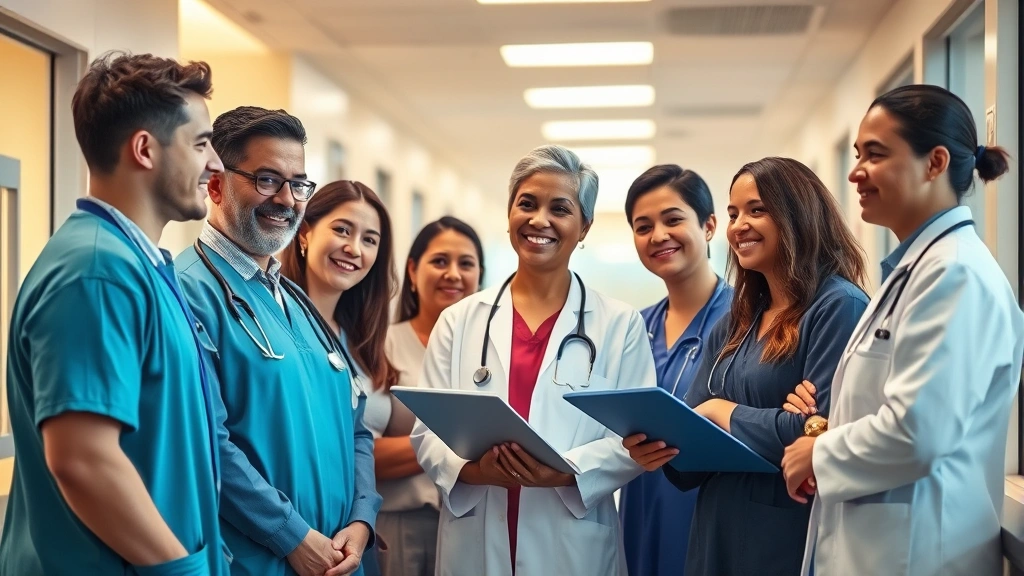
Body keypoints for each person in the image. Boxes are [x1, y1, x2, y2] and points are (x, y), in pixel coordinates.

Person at [781, 85, 1024, 576]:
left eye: (875, 154)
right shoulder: (916, 272)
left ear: (934, 163)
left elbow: (919, 432)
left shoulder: (955, 276)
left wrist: (818, 452)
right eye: (856, 155)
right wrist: (825, 431)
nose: (855, 173)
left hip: (922, 554)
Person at [0, 53, 227, 575]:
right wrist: (180, 569)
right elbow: (83, 460)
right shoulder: (98, 272)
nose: (215, 163)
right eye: (200, 144)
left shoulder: (136, 267)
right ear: (145, 150)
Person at [410, 144, 657, 576]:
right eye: (527, 204)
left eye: (559, 208)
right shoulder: (459, 321)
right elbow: (426, 432)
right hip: (475, 537)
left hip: (572, 542)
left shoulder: (621, 325)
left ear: (584, 227)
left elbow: (636, 441)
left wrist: (564, 473)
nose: (539, 220)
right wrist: (473, 470)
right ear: (509, 215)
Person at [625, 157, 870, 575]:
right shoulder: (736, 323)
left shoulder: (837, 306)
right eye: (735, 212)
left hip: (786, 536)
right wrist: (774, 421)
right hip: (714, 535)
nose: (739, 225)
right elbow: (688, 446)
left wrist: (724, 411)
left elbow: (824, 435)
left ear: (797, 214)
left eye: (757, 210)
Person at [175, 107, 381, 576]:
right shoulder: (189, 292)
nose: (286, 199)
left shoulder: (296, 301)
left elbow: (356, 426)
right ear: (215, 185)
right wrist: (290, 535)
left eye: (298, 184)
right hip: (261, 560)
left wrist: (362, 518)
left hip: (340, 556)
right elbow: (206, 441)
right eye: (267, 180)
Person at [279, 180, 403, 576]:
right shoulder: (272, 320)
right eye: (342, 230)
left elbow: (358, 435)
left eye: (370, 239)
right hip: (292, 534)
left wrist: (363, 518)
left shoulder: (358, 339)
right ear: (304, 232)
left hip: (349, 540)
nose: (354, 248)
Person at [617, 165, 732, 576]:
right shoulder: (633, 328)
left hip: (708, 514)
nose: (658, 236)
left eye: (673, 219)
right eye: (642, 226)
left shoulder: (749, 320)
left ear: (709, 226)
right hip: (639, 509)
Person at [372, 217, 486, 576]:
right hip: (405, 525)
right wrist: (463, 440)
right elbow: (363, 454)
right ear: (412, 269)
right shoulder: (380, 345)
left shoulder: (490, 352)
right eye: (440, 261)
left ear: (479, 275)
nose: (453, 273)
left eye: (465, 263)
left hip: (477, 522)